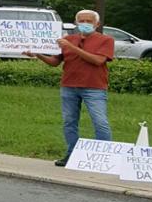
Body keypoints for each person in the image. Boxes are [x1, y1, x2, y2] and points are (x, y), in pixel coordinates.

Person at [24, 9, 114, 167]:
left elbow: (98, 61)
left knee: (100, 122)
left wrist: (72, 48)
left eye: (89, 21)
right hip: (69, 86)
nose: (85, 24)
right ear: (75, 22)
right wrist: (38, 54)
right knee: (69, 122)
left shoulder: (105, 40)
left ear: (97, 24)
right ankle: (71, 154)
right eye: (82, 21)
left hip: (94, 87)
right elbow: (55, 62)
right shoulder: (68, 40)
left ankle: (104, 156)